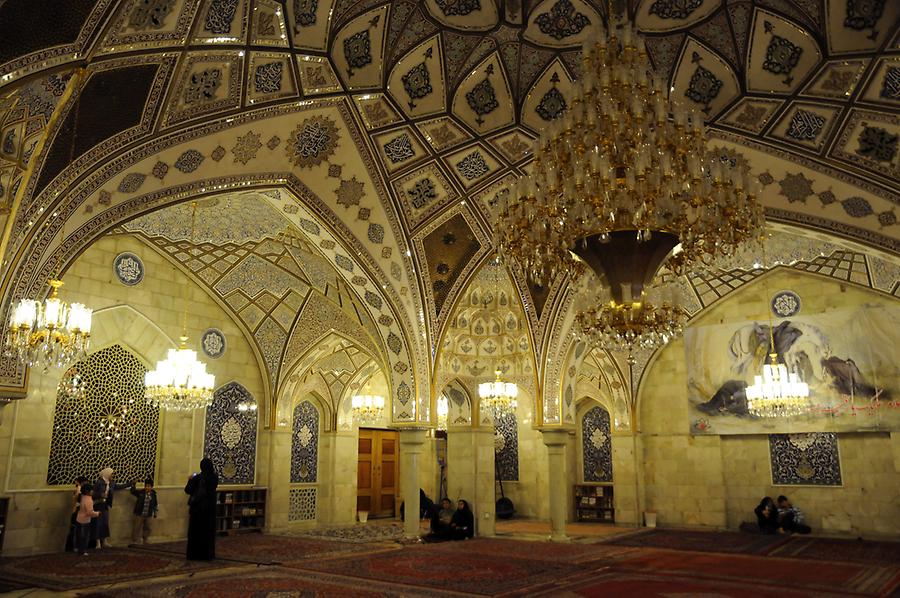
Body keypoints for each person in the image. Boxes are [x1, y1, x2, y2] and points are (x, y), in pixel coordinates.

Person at [185, 458, 218, 560]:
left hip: (197, 510)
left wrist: (190, 479)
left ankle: (194, 555)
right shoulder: (214, 478)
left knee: (196, 533)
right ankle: (207, 555)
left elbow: (188, 490)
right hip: (209, 510)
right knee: (207, 533)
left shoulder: (197, 478)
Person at [92, 468, 131, 549]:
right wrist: (100, 495)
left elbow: (119, 486)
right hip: (98, 505)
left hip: (105, 505)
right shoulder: (99, 483)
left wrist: (130, 484)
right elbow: (93, 494)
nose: (112, 476)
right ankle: (98, 542)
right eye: (111, 474)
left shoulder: (111, 483)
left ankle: (104, 541)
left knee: (105, 523)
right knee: (98, 523)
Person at [130, 477, 158, 545]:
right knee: (137, 527)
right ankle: (135, 540)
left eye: (149, 486)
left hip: (148, 514)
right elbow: (133, 491)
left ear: (151, 487)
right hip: (140, 513)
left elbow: (155, 504)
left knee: (147, 527)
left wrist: (155, 512)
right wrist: (133, 484)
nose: (147, 488)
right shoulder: (141, 493)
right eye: (146, 486)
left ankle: (145, 539)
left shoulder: (153, 494)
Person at [75, 483, 100, 555]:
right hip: (85, 520)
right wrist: (98, 513)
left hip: (79, 518)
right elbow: (89, 512)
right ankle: (82, 551)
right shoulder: (89, 500)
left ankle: (78, 549)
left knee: (79, 535)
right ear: (87, 491)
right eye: (91, 490)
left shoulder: (82, 497)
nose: (93, 492)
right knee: (84, 536)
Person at [65, 476, 88, 552]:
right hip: (77, 512)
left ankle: (77, 546)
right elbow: (76, 501)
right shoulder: (79, 490)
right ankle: (73, 547)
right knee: (75, 530)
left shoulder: (82, 490)